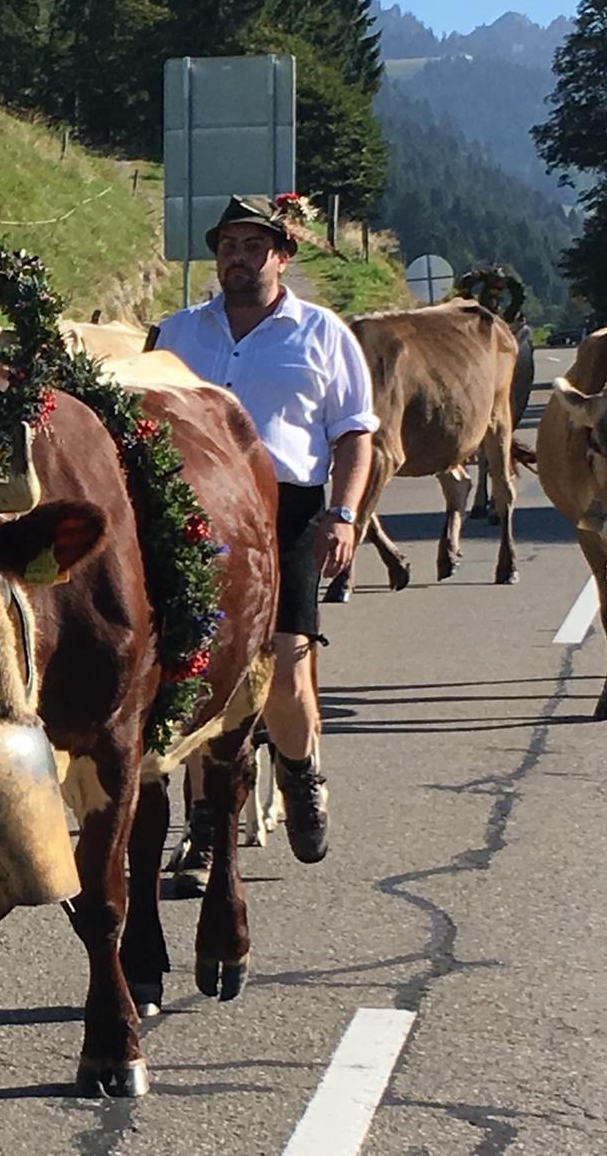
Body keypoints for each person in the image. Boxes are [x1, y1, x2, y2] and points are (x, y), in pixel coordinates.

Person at [151, 195, 376, 864]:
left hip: (290, 512)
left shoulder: (322, 333)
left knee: (283, 673)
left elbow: (355, 433)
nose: (238, 259)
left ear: (282, 256)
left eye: (254, 247)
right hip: (194, 516)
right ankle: (203, 828)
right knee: (197, 675)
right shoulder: (178, 334)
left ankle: (301, 772)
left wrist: (343, 514)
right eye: (228, 247)